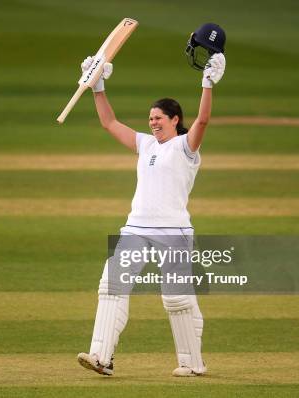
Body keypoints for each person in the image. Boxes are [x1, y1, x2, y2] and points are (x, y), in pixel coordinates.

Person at [77, 24, 226, 377]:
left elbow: (203, 119)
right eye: (150, 118)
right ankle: (101, 357)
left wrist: (207, 83)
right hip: (135, 228)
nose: (152, 122)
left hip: (173, 231)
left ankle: (192, 363)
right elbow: (110, 123)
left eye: (159, 117)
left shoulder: (186, 148)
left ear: (175, 120)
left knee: (175, 298)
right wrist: (98, 85)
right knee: (111, 286)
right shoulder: (145, 144)